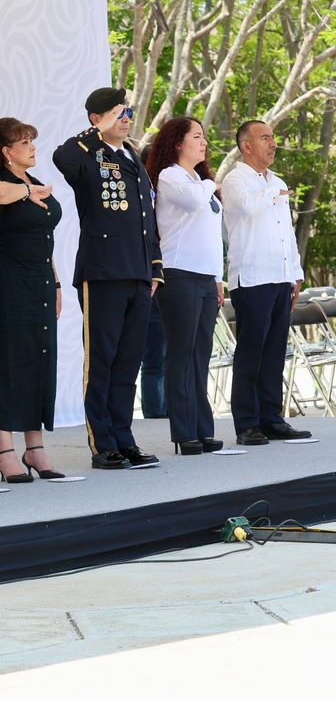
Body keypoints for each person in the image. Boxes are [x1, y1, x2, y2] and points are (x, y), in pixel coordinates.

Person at [52, 88, 163, 470]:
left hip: (138, 273)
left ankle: (124, 438)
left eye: (127, 112)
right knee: (102, 360)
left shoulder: (131, 155)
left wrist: (155, 268)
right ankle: (103, 443)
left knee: (128, 362)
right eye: (117, 113)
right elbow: (61, 157)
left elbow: (147, 218)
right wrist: (97, 132)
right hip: (103, 273)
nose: (126, 118)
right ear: (96, 119)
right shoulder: (87, 155)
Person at [0, 118, 65, 482]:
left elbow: (44, 239)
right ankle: (5, 451)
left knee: (40, 358)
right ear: (6, 151)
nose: (32, 147)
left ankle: (35, 447)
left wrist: (56, 283)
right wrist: (26, 192)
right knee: (8, 361)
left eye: (31, 140)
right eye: (24, 142)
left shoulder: (35, 181)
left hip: (41, 282)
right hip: (9, 284)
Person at [220, 120, 312, 445]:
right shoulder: (235, 180)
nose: (273, 143)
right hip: (253, 278)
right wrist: (273, 193)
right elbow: (247, 208)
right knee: (251, 352)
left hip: (280, 276)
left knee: (274, 352)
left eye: (273, 137)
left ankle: (271, 418)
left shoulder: (277, 181)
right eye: (265, 138)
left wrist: (295, 272)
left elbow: (286, 232)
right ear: (246, 146)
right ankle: (246, 424)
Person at [148, 117, 226, 454]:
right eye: (197, 136)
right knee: (181, 353)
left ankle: (203, 428)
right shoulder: (171, 176)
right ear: (178, 143)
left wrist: (218, 279)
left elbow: (213, 236)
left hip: (206, 276)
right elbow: (194, 201)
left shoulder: (198, 180)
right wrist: (211, 183)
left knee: (200, 354)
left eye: (204, 136)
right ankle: (183, 431)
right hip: (179, 273)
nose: (204, 142)